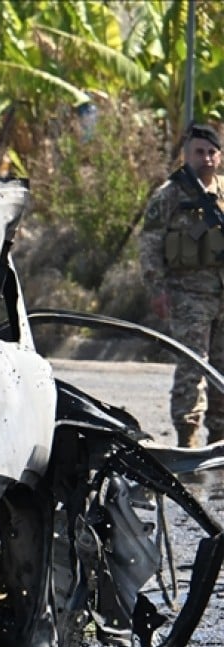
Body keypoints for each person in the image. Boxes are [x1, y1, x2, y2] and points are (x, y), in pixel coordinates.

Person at [138, 122, 224, 448]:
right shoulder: (169, 195)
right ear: (186, 155)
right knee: (192, 366)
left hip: (222, 295)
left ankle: (218, 438)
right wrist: (156, 289)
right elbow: (150, 244)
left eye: (211, 152)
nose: (206, 158)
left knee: (222, 368)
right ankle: (187, 438)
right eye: (199, 152)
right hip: (188, 296)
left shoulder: (223, 192)